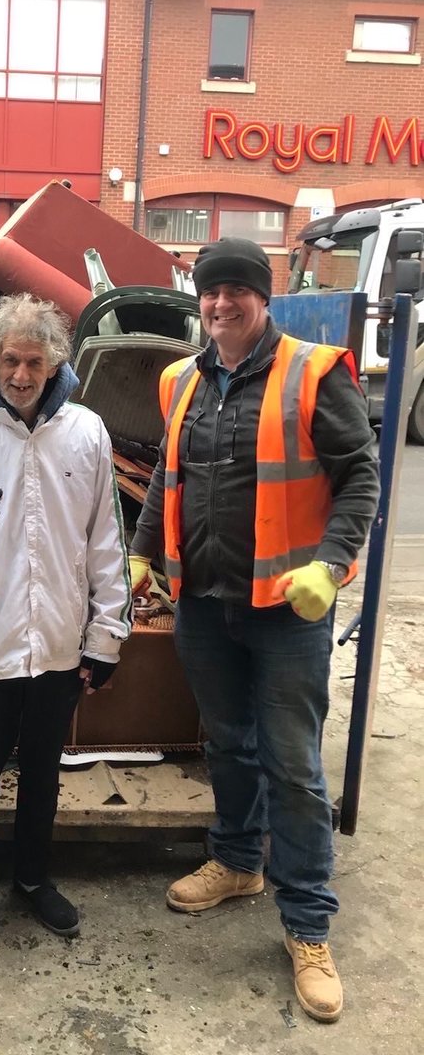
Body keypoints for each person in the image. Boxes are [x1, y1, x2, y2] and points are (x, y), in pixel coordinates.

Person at [129, 237, 379, 1023]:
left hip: (288, 613)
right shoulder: (181, 379)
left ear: (263, 298)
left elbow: (360, 475)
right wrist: (143, 553)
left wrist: (331, 564)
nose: (220, 303)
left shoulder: (312, 372)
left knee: (294, 767)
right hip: (204, 604)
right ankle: (239, 861)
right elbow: (166, 473)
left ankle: (308, 926)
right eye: (210, 291)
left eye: (236, 290)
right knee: (229, 744)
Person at [0, 294, 132, 947]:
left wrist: (106, 638)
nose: (20, 375)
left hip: (60, 643)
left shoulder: (88, 433)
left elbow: (106, 542)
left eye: (34, 362)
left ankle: (34, 879)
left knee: (43, 773)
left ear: (55, 363)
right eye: (10, 360)